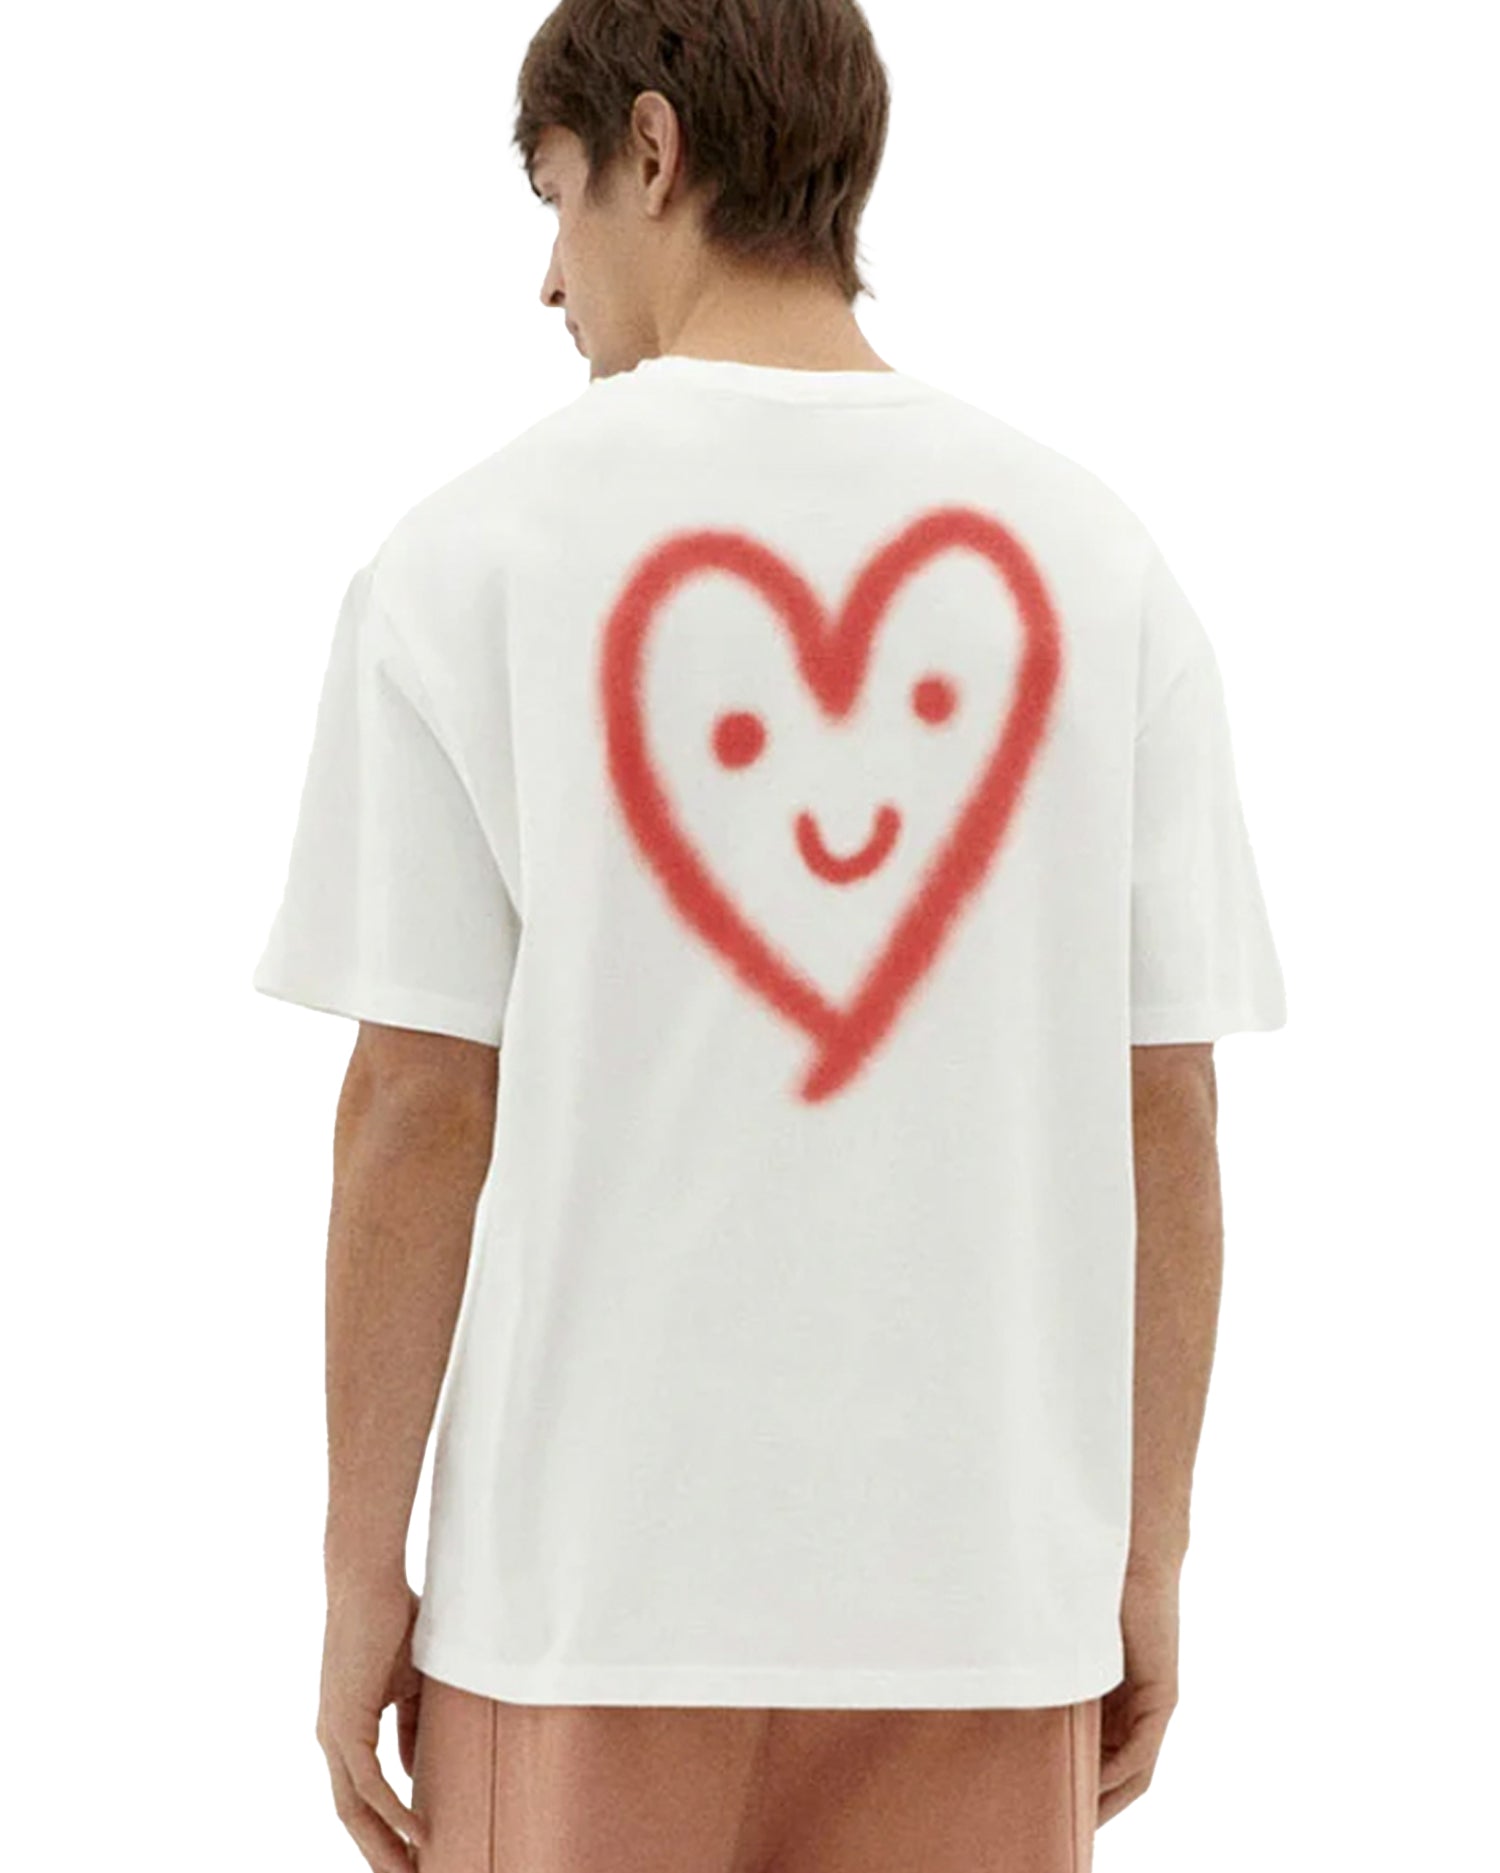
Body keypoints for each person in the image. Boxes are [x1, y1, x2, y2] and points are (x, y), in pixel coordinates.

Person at [251, 2, 1288, 1868]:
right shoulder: (1096, 566)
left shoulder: (469, 559)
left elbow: (417, 1103)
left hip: (586, 1601)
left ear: (651, 154)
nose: (548, 279)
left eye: (555, 199)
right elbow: (1168, 1108)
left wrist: (355, 1571)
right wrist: (1147, 1553)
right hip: (984, 1605)